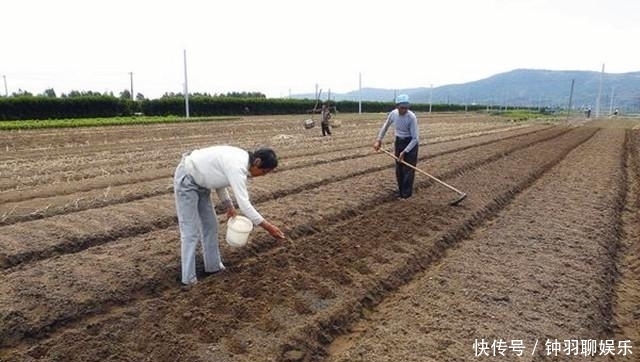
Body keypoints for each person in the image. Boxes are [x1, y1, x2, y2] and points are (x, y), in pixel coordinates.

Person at [174, 146, 286, 285]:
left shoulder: (240, 161)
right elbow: (245, 205)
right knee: (190, 231)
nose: (262, 175)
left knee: (211, 225)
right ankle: (188, 279)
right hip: (187, 178)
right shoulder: (238, 166)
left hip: (202, 183)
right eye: (264, 171)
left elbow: (217, 178)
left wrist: (229, 205)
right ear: (257, 162)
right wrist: (269, 227)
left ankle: (213, 267)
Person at [373, 94, 420, 199]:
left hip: (410, 144)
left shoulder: (411, 117)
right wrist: (378, 140)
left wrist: (405, 152)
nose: (404, 110)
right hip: (399, 142)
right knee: (399, 169)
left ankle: (406, 195)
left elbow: (415, 138)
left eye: (406, 107)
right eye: (402, 107)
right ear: (397, 106)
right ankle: (401, 191)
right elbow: (385, 126)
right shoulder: (393, 114)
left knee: (408, 169)